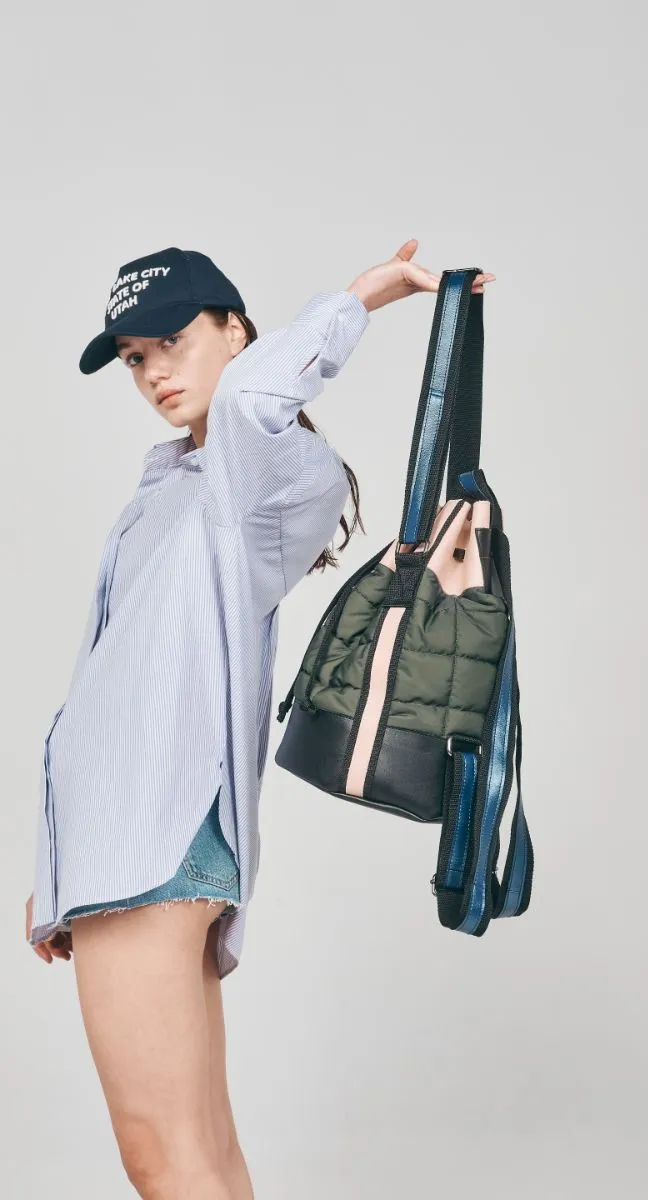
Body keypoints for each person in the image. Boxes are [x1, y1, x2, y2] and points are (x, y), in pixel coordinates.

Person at [23, 237, 495, 1199]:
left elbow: (247, 404)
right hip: (124, 846)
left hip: (150, 845)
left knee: (164, 1161)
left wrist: (356, 300)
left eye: (173, 340)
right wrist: (56, 865)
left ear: (237, 331)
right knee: (205, 1159)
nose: (153, 372)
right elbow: (102, 694)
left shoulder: (260, 479)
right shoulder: (175, 487)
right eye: (134, 357)